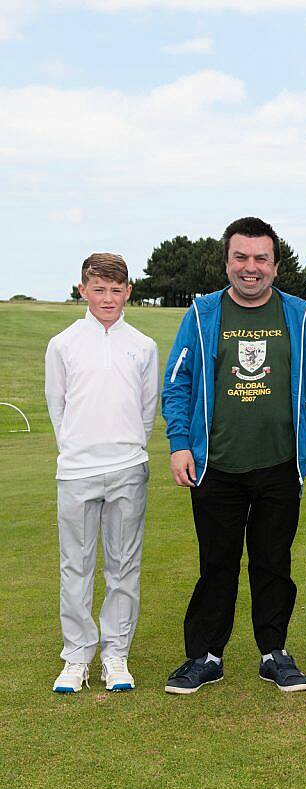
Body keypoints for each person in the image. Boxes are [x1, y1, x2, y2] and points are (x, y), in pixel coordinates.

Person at [161, 216, 306, 694]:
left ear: (276, 265)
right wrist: (179, 443)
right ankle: (204, 656)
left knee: (272, 563)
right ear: (227, 261)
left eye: (261, 258)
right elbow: (177, 382)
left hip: (280, 465)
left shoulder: (299, 315)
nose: (250, 267)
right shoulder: (201, 314)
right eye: (240, 257)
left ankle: (273, 653)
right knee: (216, 565)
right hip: (215, 466)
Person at [45, 253, 159, 693]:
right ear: (82, 290)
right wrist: (78, 450)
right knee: (75, 566)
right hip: (76, 472)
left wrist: (126, 447)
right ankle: (76, 656)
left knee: (123, 567)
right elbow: (58, 407)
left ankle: (116, 654)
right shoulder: (63, 344)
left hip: (128, 467)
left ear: (129, 291)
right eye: (98, 290)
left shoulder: (142, 345)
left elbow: (145, 410)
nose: (107, 298)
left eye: (116, 290)